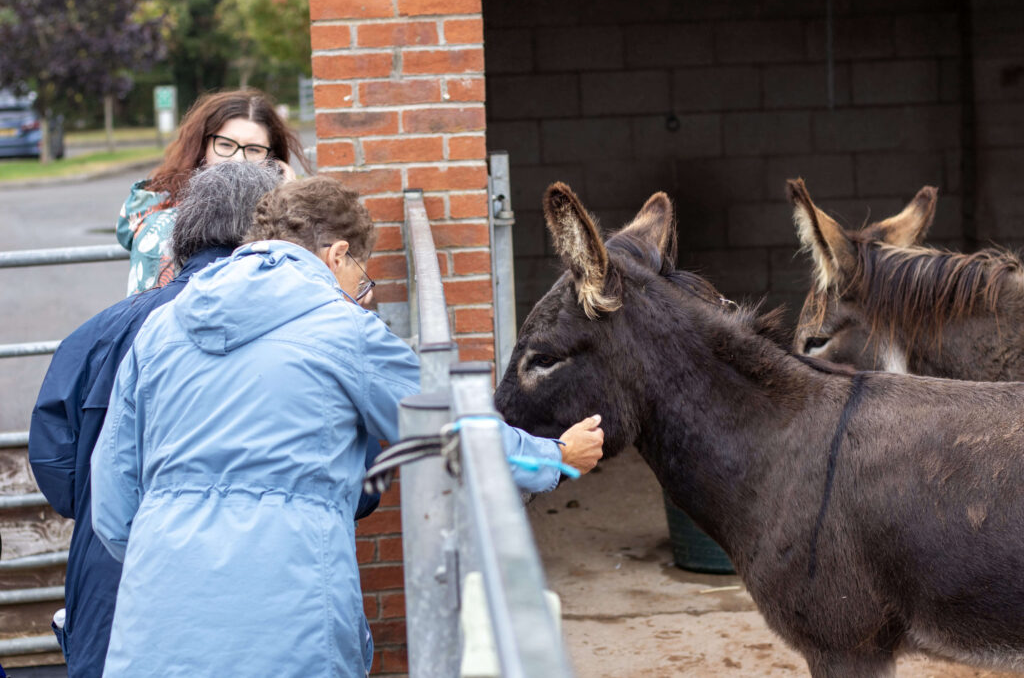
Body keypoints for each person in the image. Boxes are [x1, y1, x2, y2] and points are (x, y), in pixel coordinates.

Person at [91, 176, 603, 677]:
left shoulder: (161, 327)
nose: (362, 292)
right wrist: (555, 456)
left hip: (156, 619)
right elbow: (456, 431)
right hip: (289, 616)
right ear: (337, 255)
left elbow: (112, 508)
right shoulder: (344, 329)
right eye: (363, 278)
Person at [29, 162, 283, 678]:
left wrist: (109, 503)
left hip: (113, 569)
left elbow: (54, 461)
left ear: (184, 235)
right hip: (263, 573)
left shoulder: (102, 330)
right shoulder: (308, 323)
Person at [116, 88, 308, 296]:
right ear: (201, 147)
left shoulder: (274, 213)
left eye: (254, 150)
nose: (238, 160)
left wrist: (286, 200)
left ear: (273, 161)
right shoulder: (163, 222)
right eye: (225, 145)